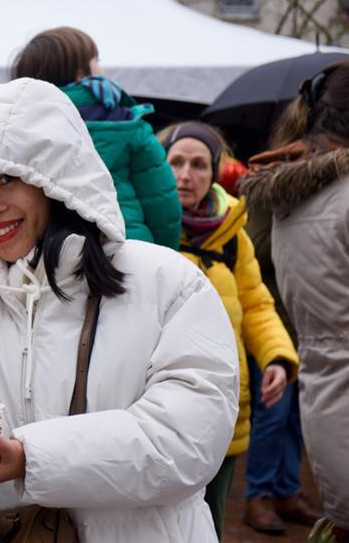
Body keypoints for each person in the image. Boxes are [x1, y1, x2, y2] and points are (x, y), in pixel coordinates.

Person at [0, 78, 239, 542]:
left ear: (52, 176)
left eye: (6, 178)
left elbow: (186, 442)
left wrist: (31, 458)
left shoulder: (166, 281)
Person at [159, 120, 300, 540]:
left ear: (215, 171)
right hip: (162, 401)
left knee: (212, 519)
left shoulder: (233, 234)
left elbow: (257, 304)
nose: (187, 175)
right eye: (177, 162)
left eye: (199, 164)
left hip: (225, 403)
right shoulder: (148, 233)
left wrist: (276, 356)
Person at [239, 60, 349, 543]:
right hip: (299, 349)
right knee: (271, 421)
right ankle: (265, 493)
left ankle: (281, 490)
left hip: (328, 400)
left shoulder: (295, 199)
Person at [12, 27, 182, 249]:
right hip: (129, 247)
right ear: (82, 75)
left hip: (53, 254)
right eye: (97, 61)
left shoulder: (18, 129)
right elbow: (163, 207)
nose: (102, 68)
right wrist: (166, 257)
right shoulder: (127, 122)